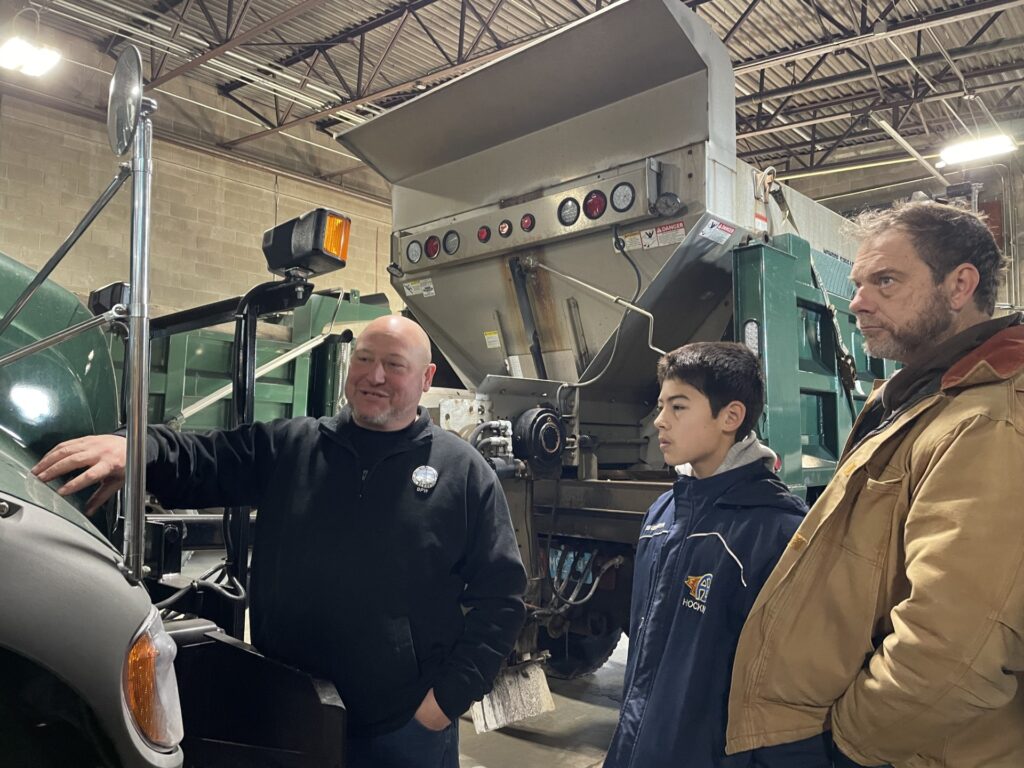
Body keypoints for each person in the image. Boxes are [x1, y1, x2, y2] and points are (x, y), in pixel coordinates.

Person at [32, 314, 528, 768]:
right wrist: (137, 447)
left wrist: (442, 704)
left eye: (394, 366)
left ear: (425, 379)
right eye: (364, 359)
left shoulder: (463, 473)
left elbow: (502, 599)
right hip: (291, 712)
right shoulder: (293, 446)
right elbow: (207, 458)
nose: (375, 376)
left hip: (401, 729)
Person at [725, 201, 1024, 768]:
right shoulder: (925, 399)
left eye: (885, 281)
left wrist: (847, 742)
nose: (858, 301)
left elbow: (956, 650)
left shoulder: (988, 421)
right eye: (859, 283)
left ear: (960, 285)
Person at [603, 342, 828, 768]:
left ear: (731, 417)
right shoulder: (663, 513)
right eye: (661, 405)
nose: (659, 421)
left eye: (679, 407)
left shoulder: (775, 532)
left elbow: (790, 692)